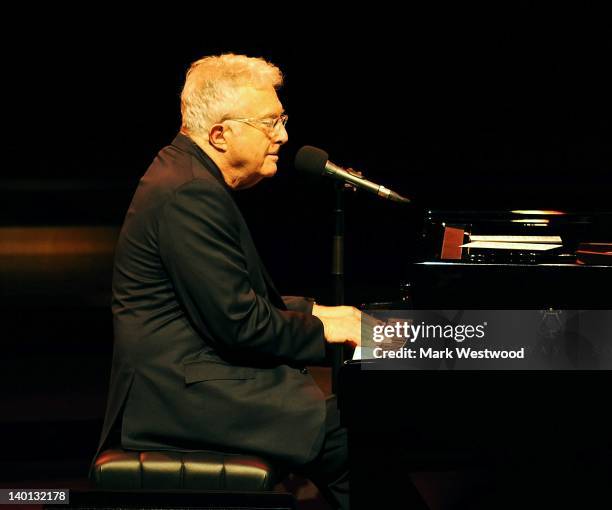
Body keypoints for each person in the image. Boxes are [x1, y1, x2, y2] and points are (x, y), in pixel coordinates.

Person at [94, 53, 362, 510]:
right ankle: (523, 345)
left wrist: (321, 313)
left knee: (351, 421)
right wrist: (330, 330)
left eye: (282, 118)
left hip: (190, 380)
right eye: (270, 122)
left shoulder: (186, 174)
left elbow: (231, 300)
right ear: (220, 134)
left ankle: (524, 345)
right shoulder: (189, 192)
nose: (284, 135)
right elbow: (240, 324)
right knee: (347, 433)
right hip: (179, 396)